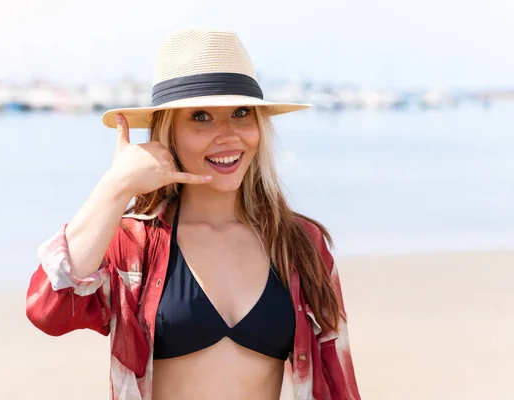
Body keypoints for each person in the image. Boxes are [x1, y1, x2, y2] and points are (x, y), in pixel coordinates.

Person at [26, 28, 360, 400]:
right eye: (201, 117)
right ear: (170, 133)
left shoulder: (301, 245)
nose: (228, 135)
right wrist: (116, 186)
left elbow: (337, 381)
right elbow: (49, 310)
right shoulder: (134, 245)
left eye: (240, 113)